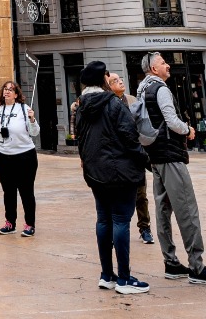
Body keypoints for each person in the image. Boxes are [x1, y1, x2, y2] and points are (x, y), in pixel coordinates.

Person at [137, 53, 206, 285]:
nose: (168, 65)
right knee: (187, 209)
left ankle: (171, 263)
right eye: (163, 62)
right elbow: (171, 121)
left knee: (163, 210)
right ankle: (197, 266)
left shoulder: (141, 90)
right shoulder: (160, 89)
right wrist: (188, 129)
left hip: (154, 155)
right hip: (171, 155)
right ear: (154, 69)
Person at [75, 62, 150, 295]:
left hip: (95, 172)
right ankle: (125, 279)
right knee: (120, 221)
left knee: (104, 220)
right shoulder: (114, 104)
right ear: (103, 80)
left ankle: (107, 275)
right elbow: (130, 137)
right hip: (120, 172)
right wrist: (146, 160)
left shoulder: (81, 107)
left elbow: (80, 140)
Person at [104, 73, 155, 244]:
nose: (120, 82)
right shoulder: (106, 103)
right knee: (115, 196)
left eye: (120, 79)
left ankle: (145, 228)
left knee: (141, 194)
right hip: (116, 156)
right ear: (108, 86)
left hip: (135, 153)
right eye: (115, 81)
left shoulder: (132, 100)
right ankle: (113, 230)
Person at [0, 80, 40, 236]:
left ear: (16, 95)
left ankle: (30, 224)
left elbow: (35, 132)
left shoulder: (24, 109)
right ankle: (10, 223)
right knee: (8, 191)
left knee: (26, 191)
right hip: (3, 157)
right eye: (5, 89)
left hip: (25, 156)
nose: (7, 91)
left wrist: (32, 119)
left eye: (11, 89)